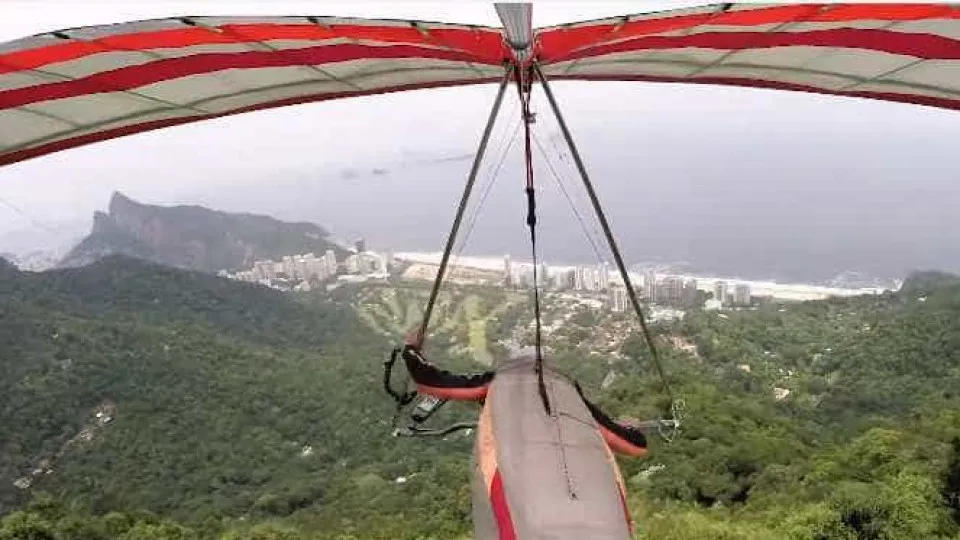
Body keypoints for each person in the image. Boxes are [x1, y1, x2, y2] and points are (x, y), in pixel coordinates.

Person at [400, 325, 648, 539]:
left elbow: (430, 381)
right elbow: (635, 445)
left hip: (529, 494)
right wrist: (631, 428)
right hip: (593, 501)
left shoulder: (498, 382)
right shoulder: (573, 396)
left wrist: (410, 350)